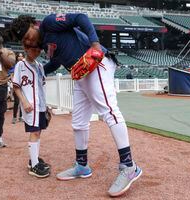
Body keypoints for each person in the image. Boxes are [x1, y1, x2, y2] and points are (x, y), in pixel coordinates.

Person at [10, 14, 142, 197]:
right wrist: (35, 70)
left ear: (34, 24)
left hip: (96, 62)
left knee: (109, 112)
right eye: (24, 39)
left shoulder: (49, 23)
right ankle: (82, 165)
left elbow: (81, 18)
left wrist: (95, 43)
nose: (28, 39)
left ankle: (129, 166)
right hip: (80, 73)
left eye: (28, 34)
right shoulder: (43, 44)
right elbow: (56, 62)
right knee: (78, 122)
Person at [12, 42, 50, 178]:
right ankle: (34, 166)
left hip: (40, 104)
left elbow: (42, 87)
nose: (37, 52)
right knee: (34, 132)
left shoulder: (40, 65)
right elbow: (16, 86)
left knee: (38, 132)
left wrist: (46, 105)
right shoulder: (20, 65)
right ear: (26, 49)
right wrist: (24, 101)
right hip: (30, 105)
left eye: (38, 50)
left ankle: (34, 159)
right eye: (34, 50)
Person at [9, 52, 24, 124]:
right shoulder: (14, 66)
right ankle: (14, 117)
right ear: (17, 57)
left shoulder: (25, 66)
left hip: (23, 87)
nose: (20, 58)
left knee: (22, 102)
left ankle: (21, 117)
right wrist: (14, 83)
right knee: (17, 102)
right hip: (16, 86)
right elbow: (11, 75)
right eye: (19, 56)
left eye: (22, 56)